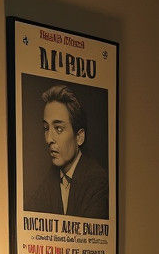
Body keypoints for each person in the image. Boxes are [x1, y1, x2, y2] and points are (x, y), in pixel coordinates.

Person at [24, 84, 109, 219]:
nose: (49, 139)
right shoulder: (49, 180)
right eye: (46, 128)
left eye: (58, 129)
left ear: (79, 137)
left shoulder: (98, 181)